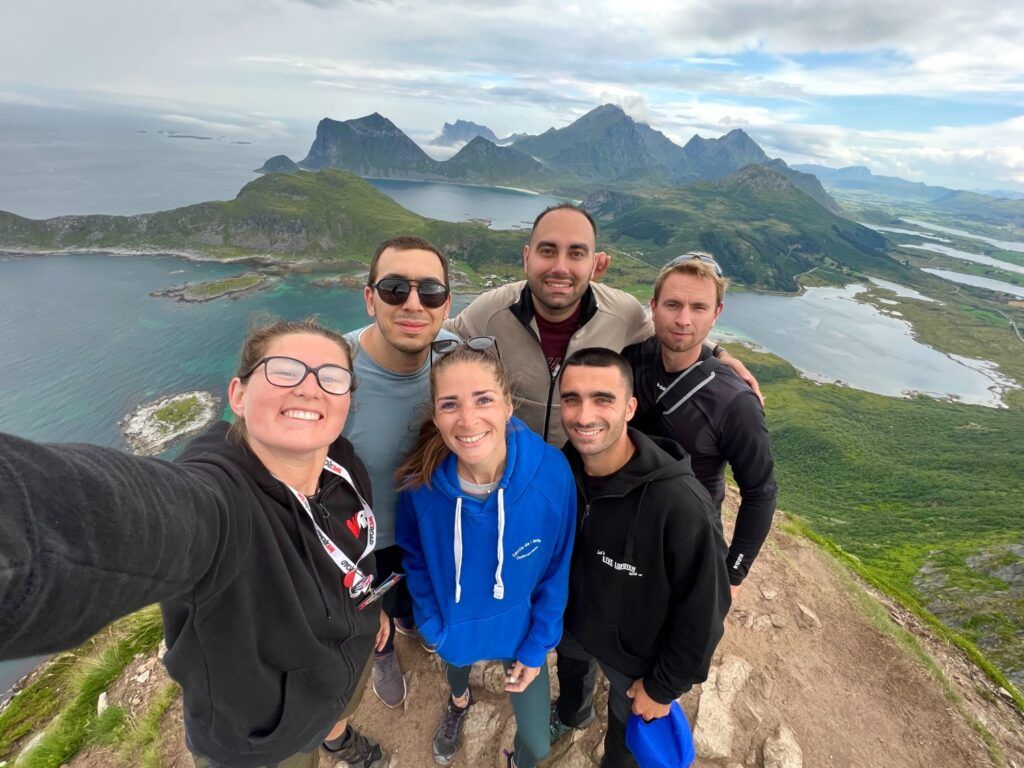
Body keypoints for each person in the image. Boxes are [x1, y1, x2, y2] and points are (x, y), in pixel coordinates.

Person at [0, 319, 388, 768]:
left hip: (344, 664)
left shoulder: (343, 462)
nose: (309, 388)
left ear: (346, 402)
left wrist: (369, 609)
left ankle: (337, 739)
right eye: (284, 371)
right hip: (264, 740)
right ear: (238, 396)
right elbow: (98, 516)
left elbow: (356, 550)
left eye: (332, 378)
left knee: (339, 711)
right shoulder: (217, 502)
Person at [395, 340, 576, 768]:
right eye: (450, 405)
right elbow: (414, 557)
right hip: (454, 633)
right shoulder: (420, 487)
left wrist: (537, 647)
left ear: (508, 405)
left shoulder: (551, 474)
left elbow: (557, 567)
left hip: (521, 636)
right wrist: (433, 626)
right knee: (457, 674)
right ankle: (459, 701)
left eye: (483, 400)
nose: (468, 419)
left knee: (538, 744)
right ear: (436, 418)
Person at [446, 203, 762, 447]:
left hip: (585, 476)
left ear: (595, 264)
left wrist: (719, 354)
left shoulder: (621, 312)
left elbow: (673, 331)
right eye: (547, 251)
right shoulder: (493, 309)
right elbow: (445, 334)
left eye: (576, 254)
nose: (560, 267)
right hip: (514, 472)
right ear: (527, 257)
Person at [552, 348, 730, 768]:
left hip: (635, 657)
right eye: (572, 399)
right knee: (573, 675)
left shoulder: (681, 505)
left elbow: (705, 611)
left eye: (603, 399)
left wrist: (662, 687)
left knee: (626, 737)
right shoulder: (565, 468)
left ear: (630, 407)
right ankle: (572, 714)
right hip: (574, 624)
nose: (583, 415)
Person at [342, 235, 458, 708]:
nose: (413, 303)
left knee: (412, 595)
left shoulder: (455, 358)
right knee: (371, 613)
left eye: (429, 292)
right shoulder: (334, 370)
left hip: (427, 527)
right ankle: (383, 650)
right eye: (394, 288)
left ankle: (410, 622)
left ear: (446, 305)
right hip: (356, 541)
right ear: (369, 298)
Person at [623, 253, 777, 595]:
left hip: (688, 544)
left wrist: (733, 576)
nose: (683, 319)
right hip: (619, 526)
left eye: (699, 308)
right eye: (673, 305)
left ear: (717, 313)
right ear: (653, 306)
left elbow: (760, 492)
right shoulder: (630, 360)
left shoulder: (735, 401)